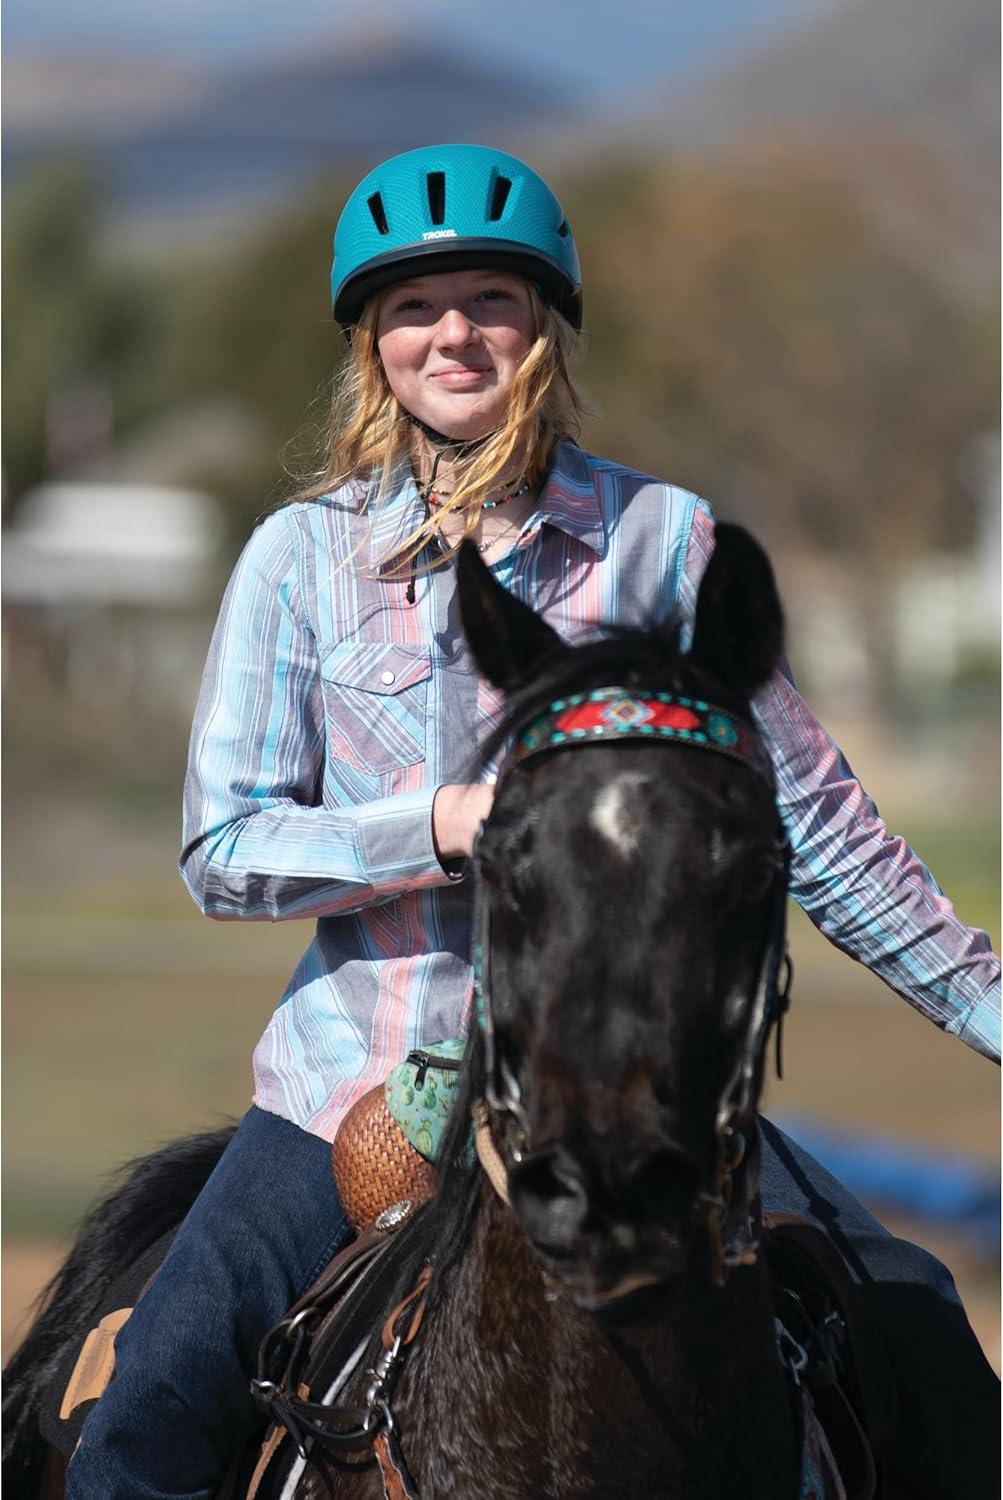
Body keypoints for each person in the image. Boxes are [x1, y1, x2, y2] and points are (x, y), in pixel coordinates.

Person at [67, 143, 1000, 1499]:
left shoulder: (667, 545)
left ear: (547, 324)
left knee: (927, 1343)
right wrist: (442, 822)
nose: (454, 333)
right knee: (143, 1421)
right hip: (354, 1091)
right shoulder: (300, 563)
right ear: (370, 343)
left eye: (490, 299)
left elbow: (827, 834)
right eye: (413, 306)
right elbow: (227, 848)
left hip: (641, 1091)